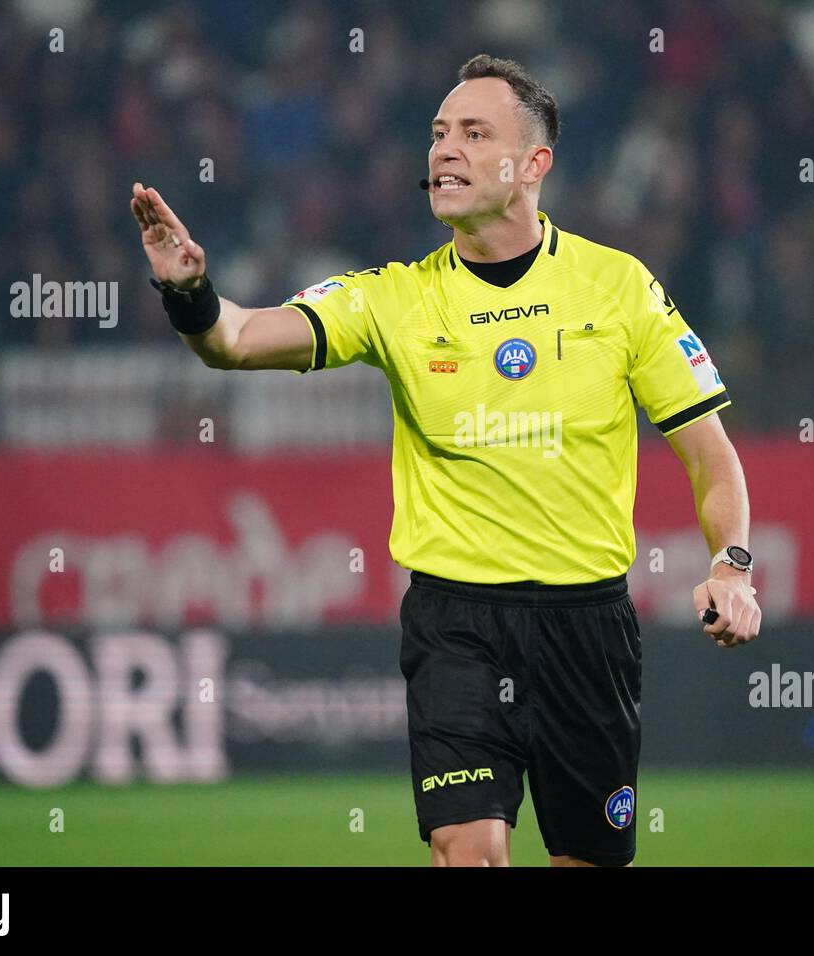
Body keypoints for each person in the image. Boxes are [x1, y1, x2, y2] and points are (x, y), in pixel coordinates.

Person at [130, 53, 761, 867]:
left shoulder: (620, 288)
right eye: (437, 134)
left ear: (533, 163)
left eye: (472, 132)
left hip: (588, 627)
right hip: (456, 626)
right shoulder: (393, 297)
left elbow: (709, 453)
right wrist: (190, 290)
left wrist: (733, 566)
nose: (444, 151)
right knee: (472, 855)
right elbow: (236, 339)